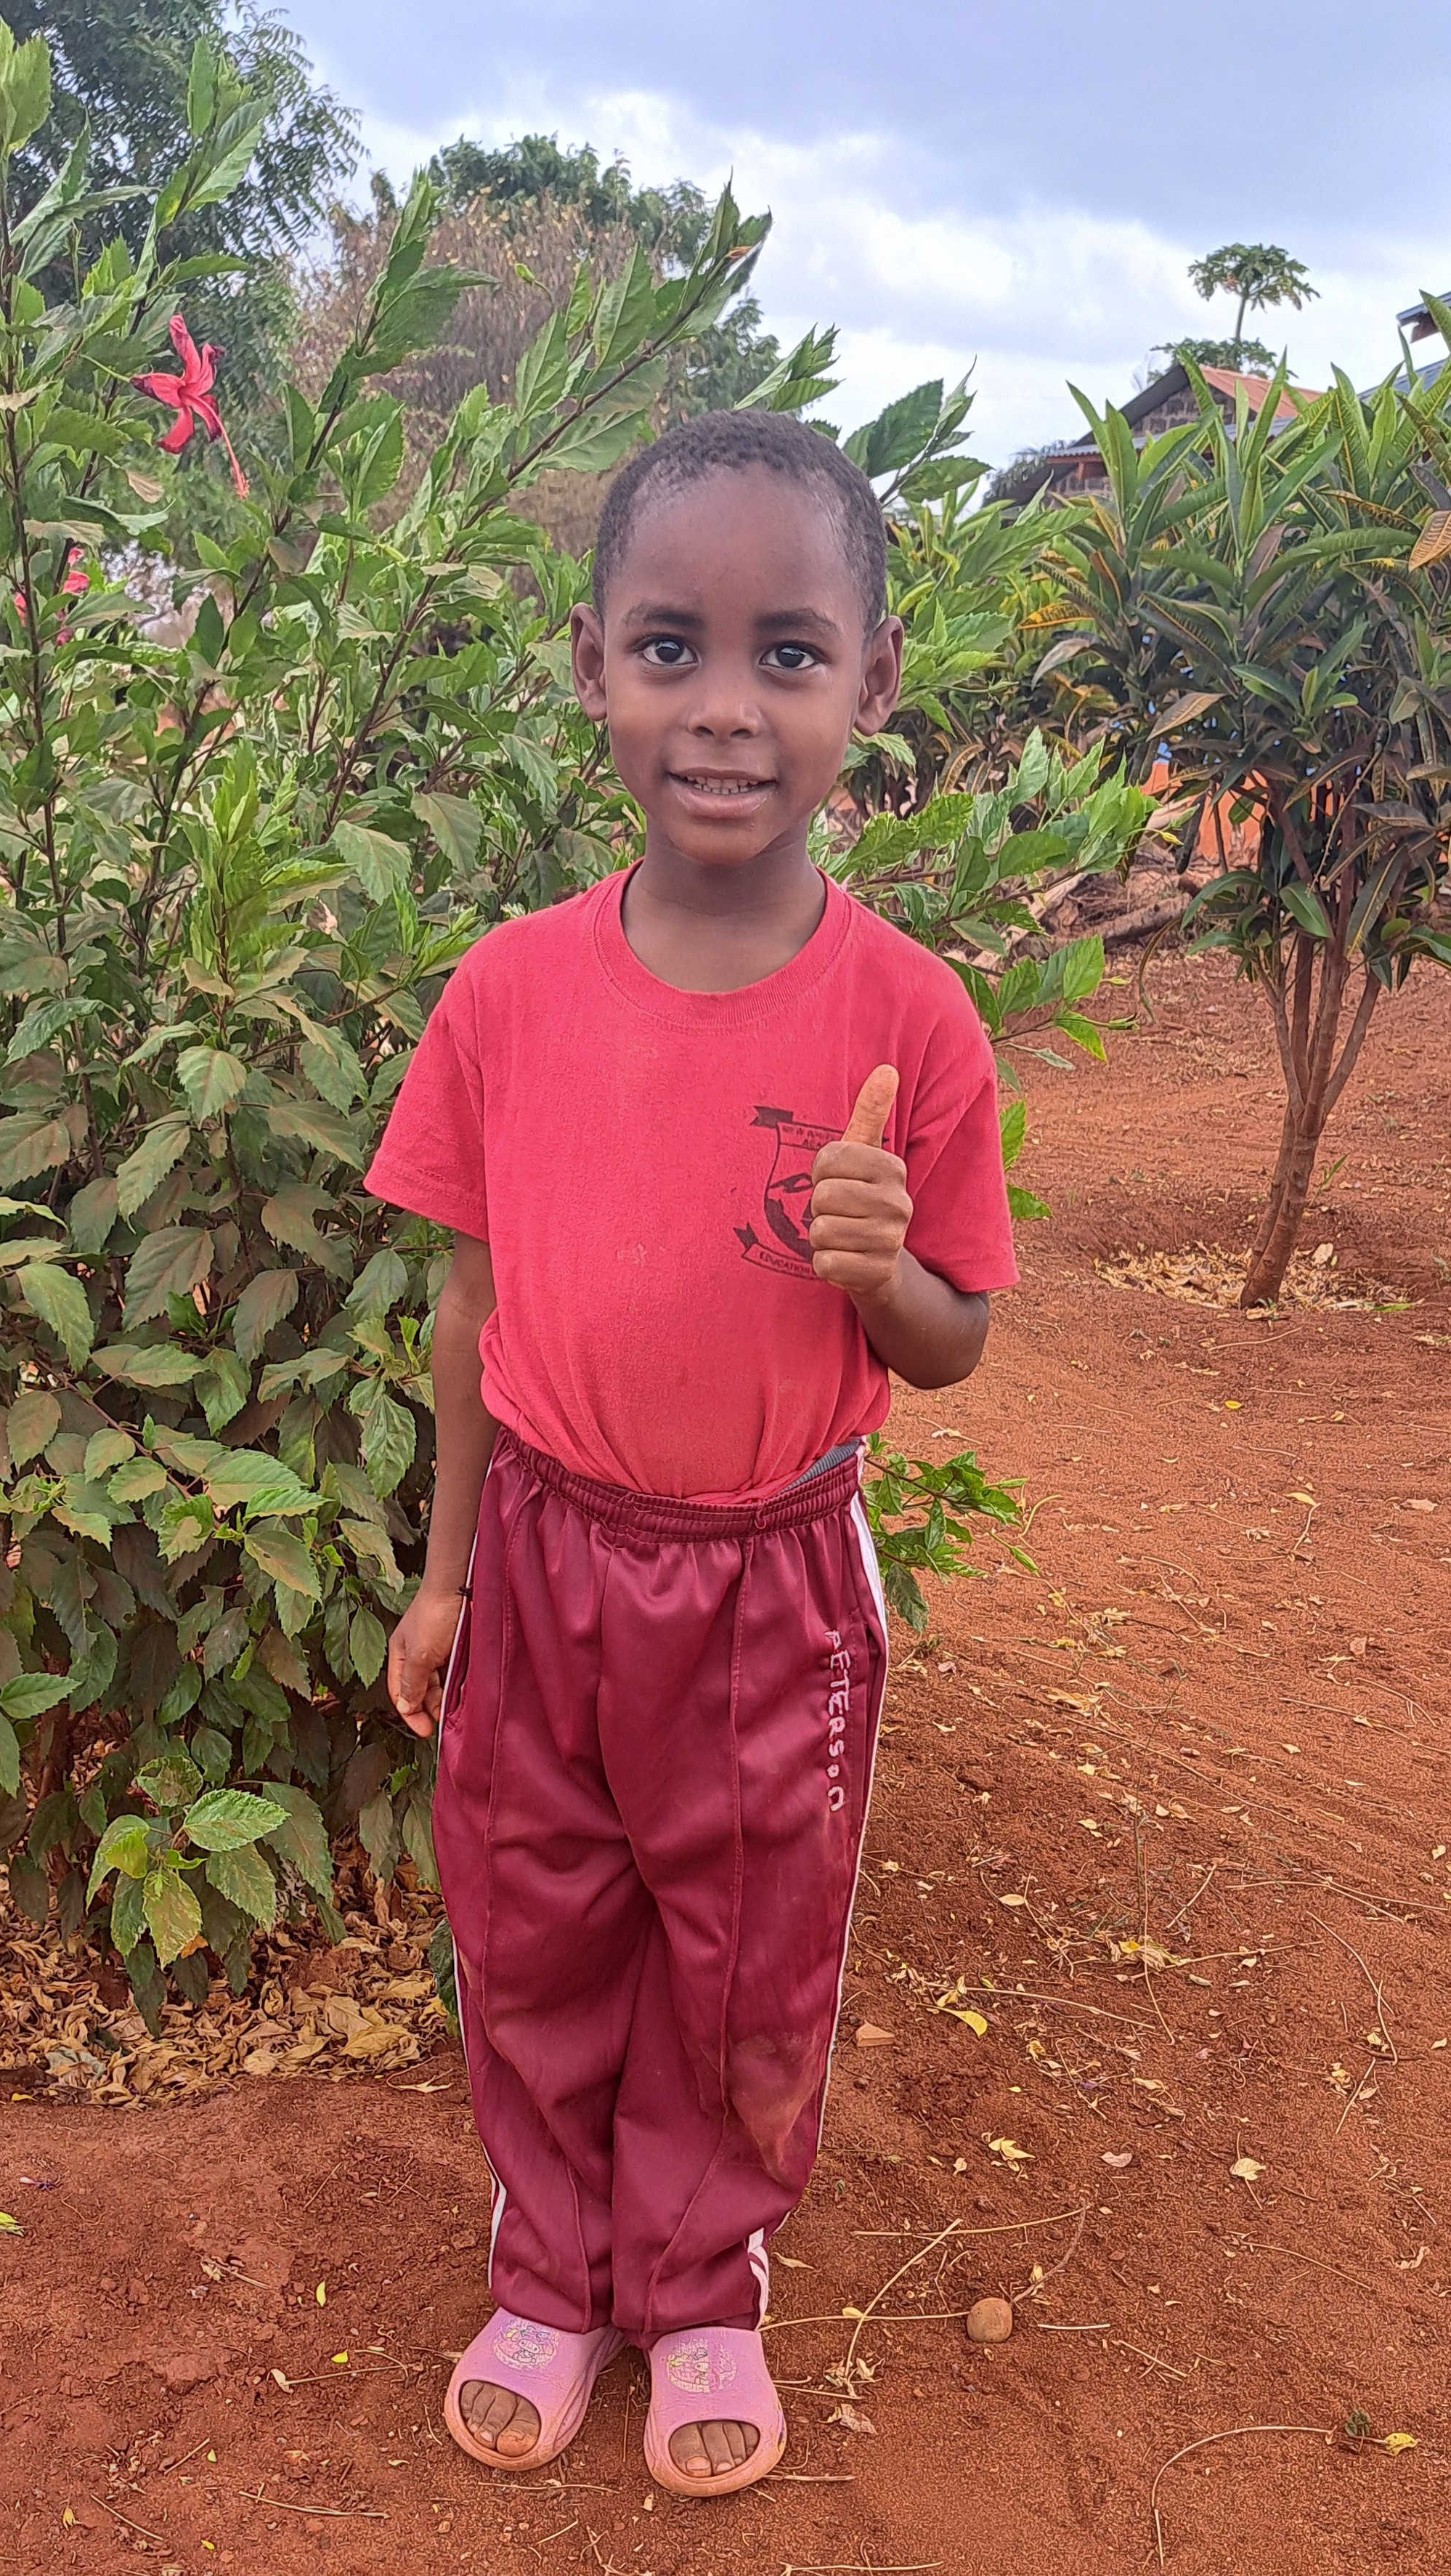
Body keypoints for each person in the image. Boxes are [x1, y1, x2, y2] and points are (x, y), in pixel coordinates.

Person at [364, 408, 1017, 2498]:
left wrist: (884, 1272)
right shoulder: (506, 995)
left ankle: (702, 2280)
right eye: (669, 647)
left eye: (786, 655)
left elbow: (954, 1346)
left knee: (745, 1952)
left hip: (769, 1581)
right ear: (592, 667)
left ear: (870, 683)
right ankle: (554, 2270)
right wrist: (448, 1574)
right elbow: (468, 1314)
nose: (725, 708)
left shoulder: (910, 1021)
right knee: (536, 1916)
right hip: (550, 1553)